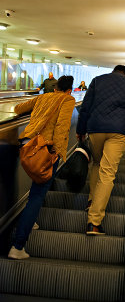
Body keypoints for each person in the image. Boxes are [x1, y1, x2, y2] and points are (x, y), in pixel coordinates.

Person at [76, 64, 125, 235]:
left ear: (113, 71)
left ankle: (91, 201)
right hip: (119, 131)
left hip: (95, 128)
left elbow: (85, 107)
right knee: (108, 172)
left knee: (96, 163)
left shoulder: (97, 81)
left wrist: (80, 130)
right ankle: (94, 222)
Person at [8, 75, 75, 260]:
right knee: (38, 194)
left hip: (27, 146)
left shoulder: (44, 96)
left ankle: (31, 221)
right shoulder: (68, 99)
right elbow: (62, 126)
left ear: (55, 87)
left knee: (35, 188)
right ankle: (17, 246)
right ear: (69, 89)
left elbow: (18, 108)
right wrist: (59, 154)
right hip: (45, 150)